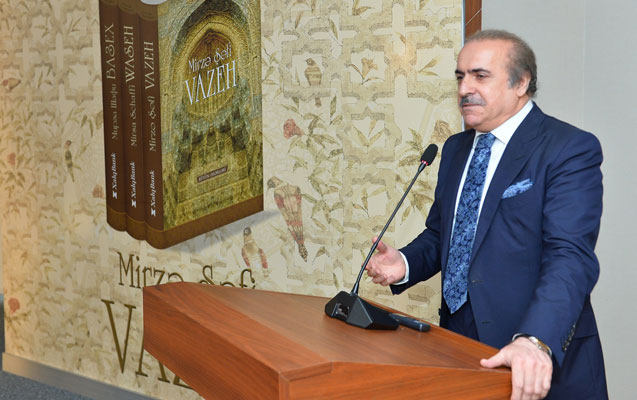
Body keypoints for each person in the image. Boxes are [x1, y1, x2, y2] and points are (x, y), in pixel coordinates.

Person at [366, 30, 607, 400]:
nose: (465, 89)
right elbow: (444, 234)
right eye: (460, 77)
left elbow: (570, 257)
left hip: (533, 353)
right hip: (457, 345)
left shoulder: (568, 148)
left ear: (521, 82)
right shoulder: (455, 148)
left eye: (480, 76)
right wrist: (406, 262)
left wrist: (535, 340)